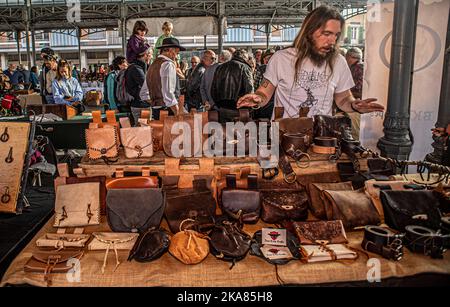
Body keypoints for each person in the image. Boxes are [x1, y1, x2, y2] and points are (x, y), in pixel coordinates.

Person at [237, 5, 384, 119]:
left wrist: (354, 105)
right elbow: (264, 93)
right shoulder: (281, 58)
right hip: (284, 135)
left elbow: (343, 99)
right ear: (309, 31)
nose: (332, 41)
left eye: (336, 35)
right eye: (326, 34)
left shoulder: (338, 61)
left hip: (321, 137)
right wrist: (257, 98)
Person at [147, 37, 186, 119]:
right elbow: (168, 93)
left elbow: (144, 93)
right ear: (171, 51)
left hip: (157, 109)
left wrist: (156, 102)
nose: (177, 57)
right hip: (168, 110)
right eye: (177, 53)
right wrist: (178, 112)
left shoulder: (153, 65)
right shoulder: (168, 64)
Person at [210, 49, 254, 123]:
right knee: (239, 133)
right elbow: (249, 90)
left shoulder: (220, 67)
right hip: (239, 109)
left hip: (222, 108)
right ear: (244, 58)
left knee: (224, 132)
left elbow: (213, 89)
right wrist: (248, 107)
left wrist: (218, 104)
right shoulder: (245, 67)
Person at [126, 47, 153, 125]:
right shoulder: (137, 68)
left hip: (138, 103)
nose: (151, 57)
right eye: (151, 55)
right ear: (146, 55)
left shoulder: (135, 67)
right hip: (141, 104)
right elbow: (147, 85)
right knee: (143, 130)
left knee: (140, 129)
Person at [344, 46, 364, 140]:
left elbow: (358, 88)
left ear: (350, 57)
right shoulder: (360, 66)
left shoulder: (357, 68)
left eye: (346, 57)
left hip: (358, 103)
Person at [253, 48, 276, 119]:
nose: (268, 60)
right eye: (266, 58)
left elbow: (256, 86)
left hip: (267, 103)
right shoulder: (280, 69)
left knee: (264, 126)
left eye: (271, 58)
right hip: (272, 103)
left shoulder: (262, 68)